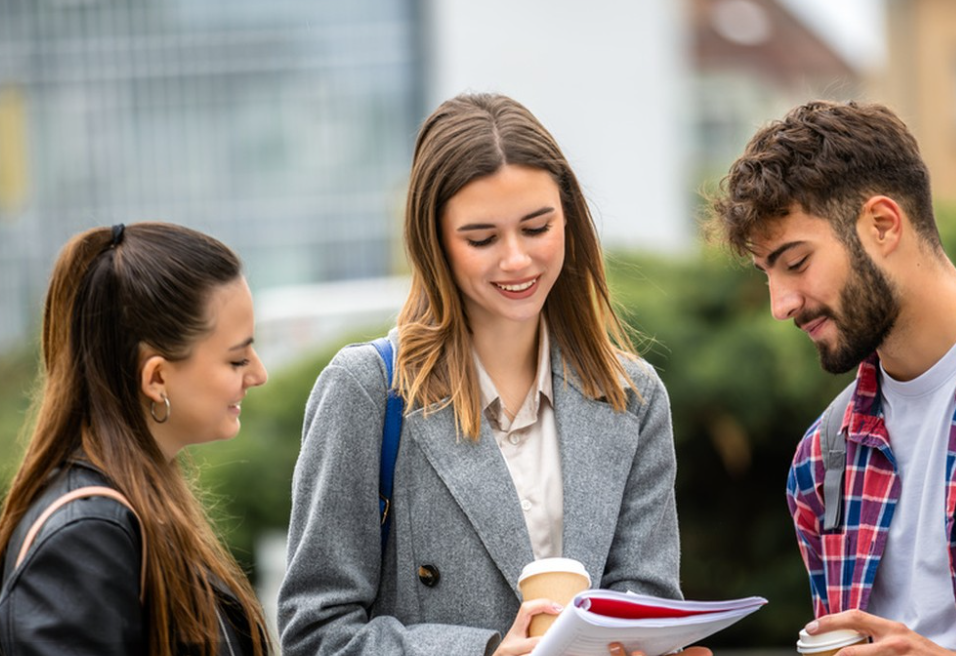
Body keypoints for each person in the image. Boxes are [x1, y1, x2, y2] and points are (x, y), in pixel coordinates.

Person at [278, 93, 706, 656]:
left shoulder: (633, 397)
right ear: (434, 244)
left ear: (569, 221)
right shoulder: (367, 391)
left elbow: (645, 602)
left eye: (536, 228)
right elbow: (316, 634)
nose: (516, 261)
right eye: (481, 239)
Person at [710, 100, 956, 653]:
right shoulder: (820, 462)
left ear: (883, 225)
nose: (780, 304)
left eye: (795, 263)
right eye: (767, 273)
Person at [0, 222, 271, 655]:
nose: (259, 374)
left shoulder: (137, 508)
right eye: (237, 359)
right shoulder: (85, 536)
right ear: (157, 376)